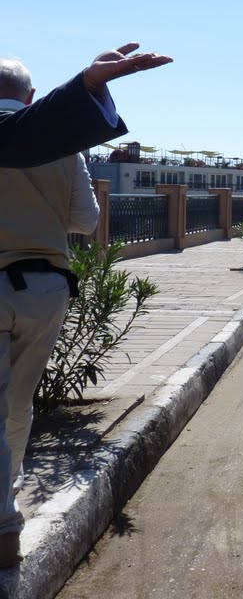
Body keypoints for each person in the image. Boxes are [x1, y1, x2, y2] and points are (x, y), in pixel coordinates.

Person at [0, 60, 102, 568]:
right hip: (42, 286)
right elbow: (85, 220)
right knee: (16, 405)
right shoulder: (62, 145)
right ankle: (5, 515)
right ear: (31, 95)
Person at [0, 43, 172, 168]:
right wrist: (89, 84)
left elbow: (14, 138)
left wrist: (89, 84)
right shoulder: (71, 157)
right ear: (31, 94)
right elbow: (85, 213)